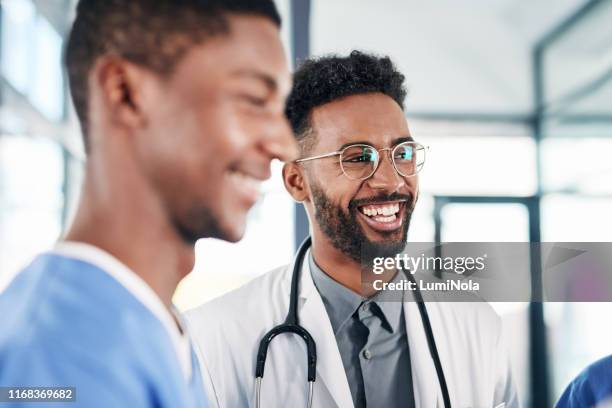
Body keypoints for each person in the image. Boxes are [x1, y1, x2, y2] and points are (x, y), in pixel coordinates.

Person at [0, 0, 296, 407]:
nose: (284, 145)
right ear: (125, 93)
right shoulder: (59, 356)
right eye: (252, 100)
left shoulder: (152, 324)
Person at [187, 51, 519, 407]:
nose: (390, 180)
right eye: (358, 158)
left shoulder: (477, 326)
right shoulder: (215, 337)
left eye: (402, 153)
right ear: (297, 181)